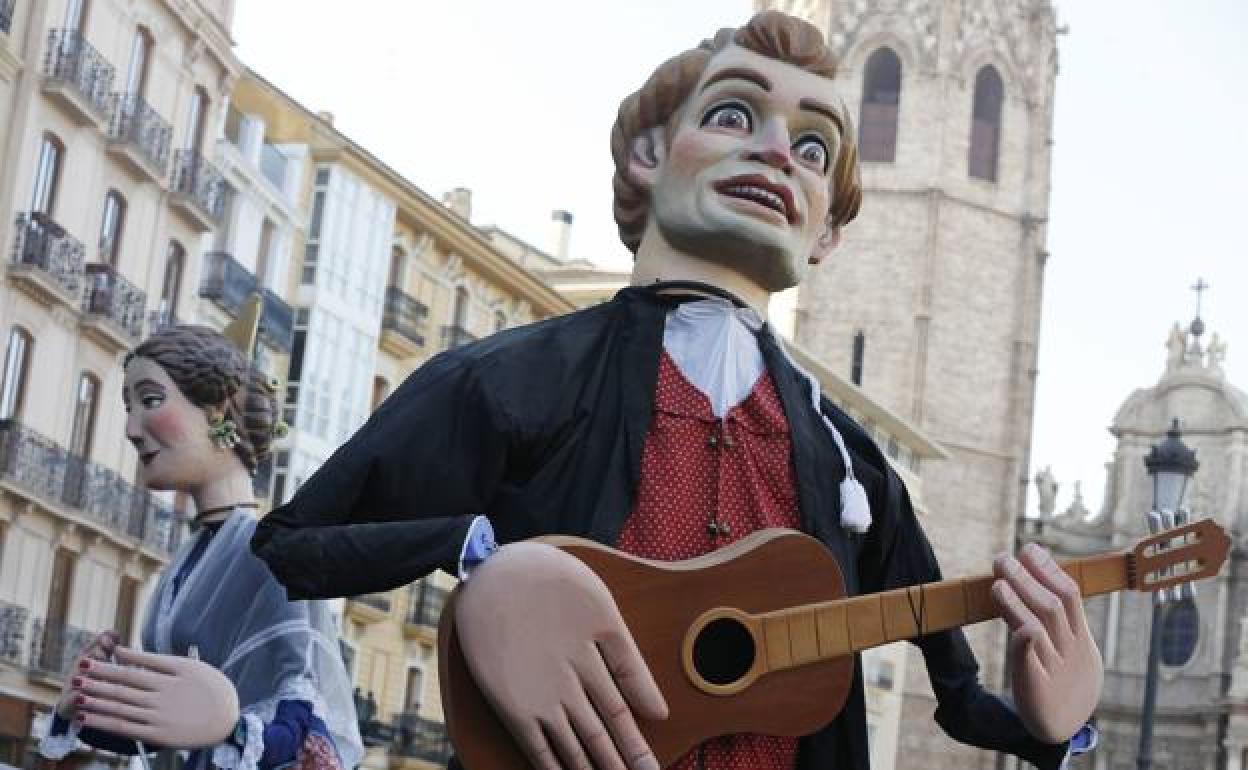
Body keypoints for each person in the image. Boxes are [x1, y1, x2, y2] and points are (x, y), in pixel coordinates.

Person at [251, 11, 1101, 770]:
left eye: (813, 148)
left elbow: (958, 699)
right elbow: (292, 545)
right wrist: (484, 556)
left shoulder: (853, 464)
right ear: (649, 153)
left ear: (827, 233)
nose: (776, 151)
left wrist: (1056, 727)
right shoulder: (516, 378)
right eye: (734, 115)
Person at [41, 325, 363, 770]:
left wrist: (227, 727)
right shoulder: (190, 558)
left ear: (219, 411)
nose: (133, 429)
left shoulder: (269, 550)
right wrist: (81, 704)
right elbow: (166, 733)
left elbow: (303, 727)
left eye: (151, 401)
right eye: (129, 408)